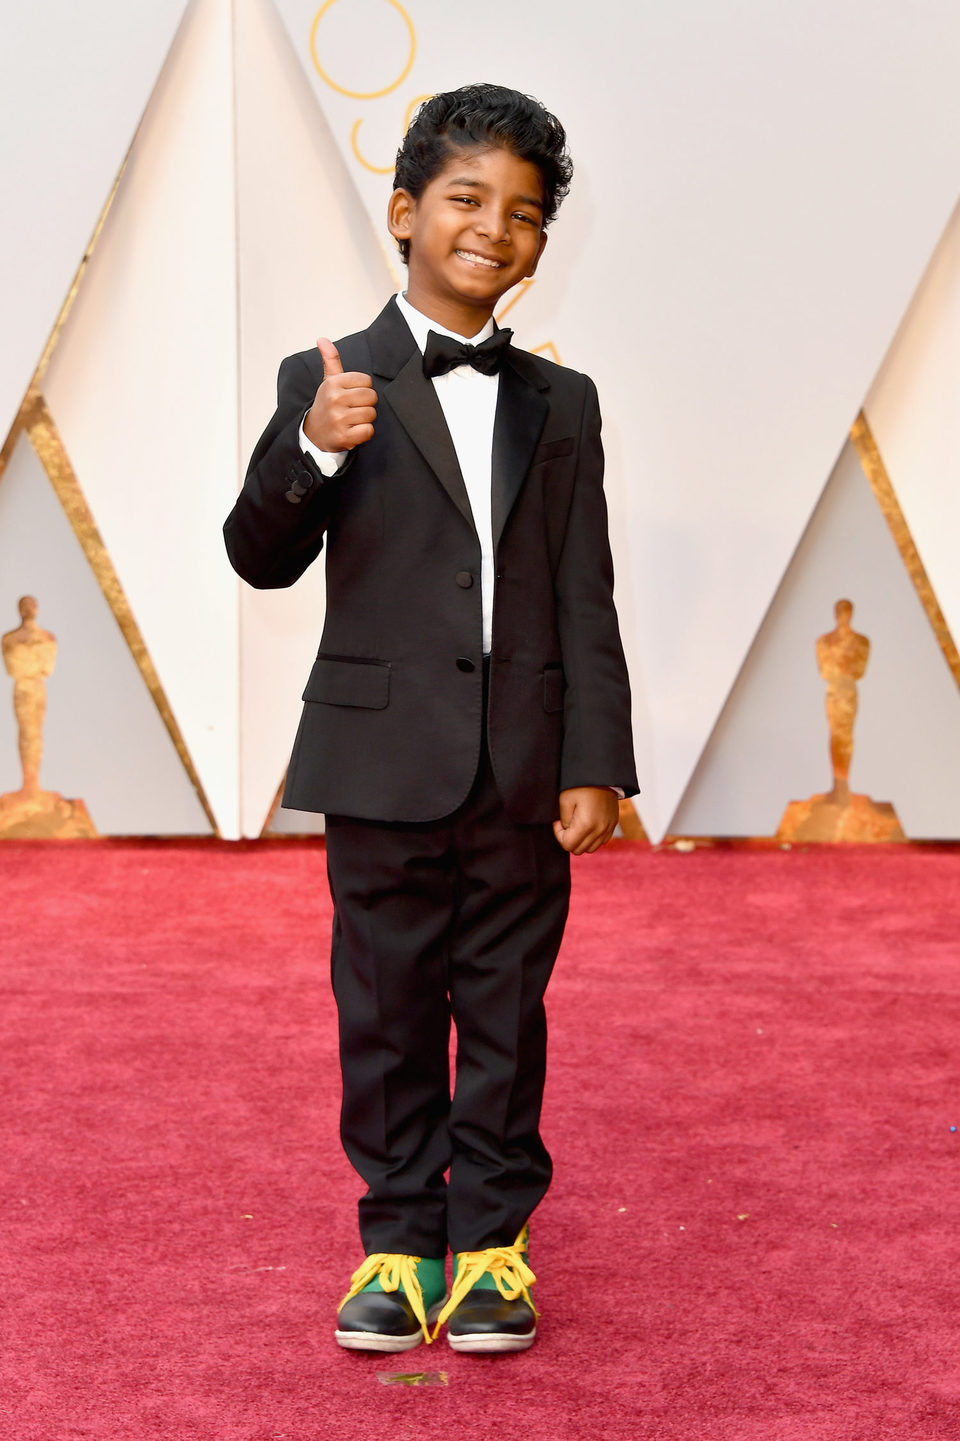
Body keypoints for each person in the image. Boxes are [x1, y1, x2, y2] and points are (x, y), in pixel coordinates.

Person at [224, 83, 638, 1355]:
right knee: (391, 1007)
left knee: (508, 1010)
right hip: (380, 759)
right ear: (406, 213)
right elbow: (256, 555)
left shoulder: (562, 406)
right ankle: (399, 1246)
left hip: (522, 761)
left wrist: (597, 761)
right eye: (466, 199)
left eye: (522, 215)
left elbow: (585, 588)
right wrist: (314, 448)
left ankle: (496, 1250)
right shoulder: (328, 376)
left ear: (539, 246)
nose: (493, 229)